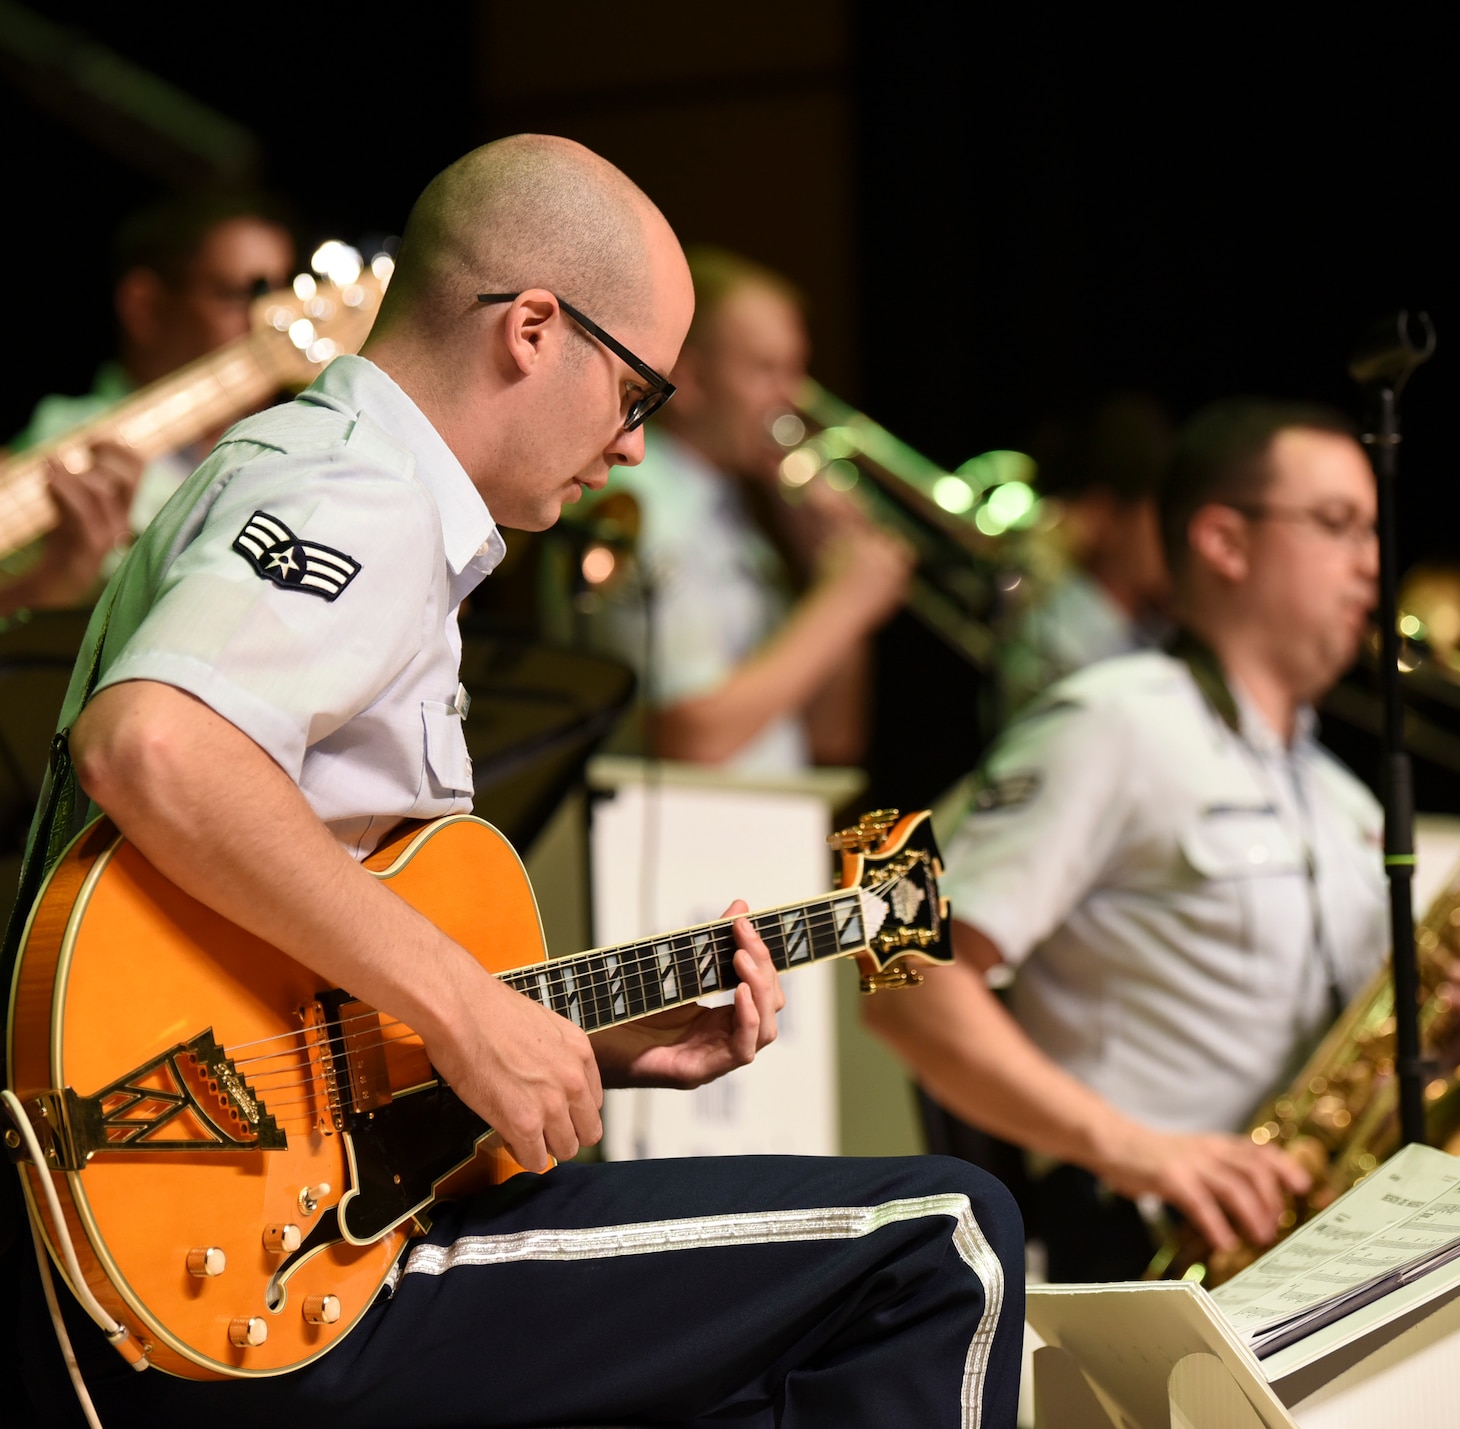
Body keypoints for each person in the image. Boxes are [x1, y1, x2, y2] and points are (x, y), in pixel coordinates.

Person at [6, 135, 1021, 1429]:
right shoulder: (357, 492)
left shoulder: (321, 478)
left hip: (234, 1228)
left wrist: (571, 1035)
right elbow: (155, 745)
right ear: (534, 328)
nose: (637, 446)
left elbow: (291, 975)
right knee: (944, 1243)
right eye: (638, 391)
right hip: (227, 1266)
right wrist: (472, 1015)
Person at [861, 398, 1460, 1283]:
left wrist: (1452, 1025)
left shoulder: (1342, 796)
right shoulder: (1109, 719)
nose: (1374, 563)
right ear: (1224, 540)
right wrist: (1138, 1149)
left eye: (1375, 530)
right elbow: (898, 969)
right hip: (1146, 1244)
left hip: (1305, 1243)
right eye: (1336, 525)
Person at [572, 246, 910, 772]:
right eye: (766, 369)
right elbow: (692, 735)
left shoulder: (737, 514)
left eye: (797, 369)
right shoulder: (633, 504)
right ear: (693, 380)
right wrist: (843, 604)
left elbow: (833, 737)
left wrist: (829, 575)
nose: (792, 397)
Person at [0, 191, 297, 615]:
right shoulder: (63, 435)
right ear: (146, 306)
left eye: (283, 296)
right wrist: (54, 584)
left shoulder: (273, 467)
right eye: (247, 294)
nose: (270, 322)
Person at [994, 393, 1174, 716]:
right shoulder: (1054, 644)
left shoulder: (1155, 630)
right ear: (1102, 518)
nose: (1178, 538)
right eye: (1159, 519)